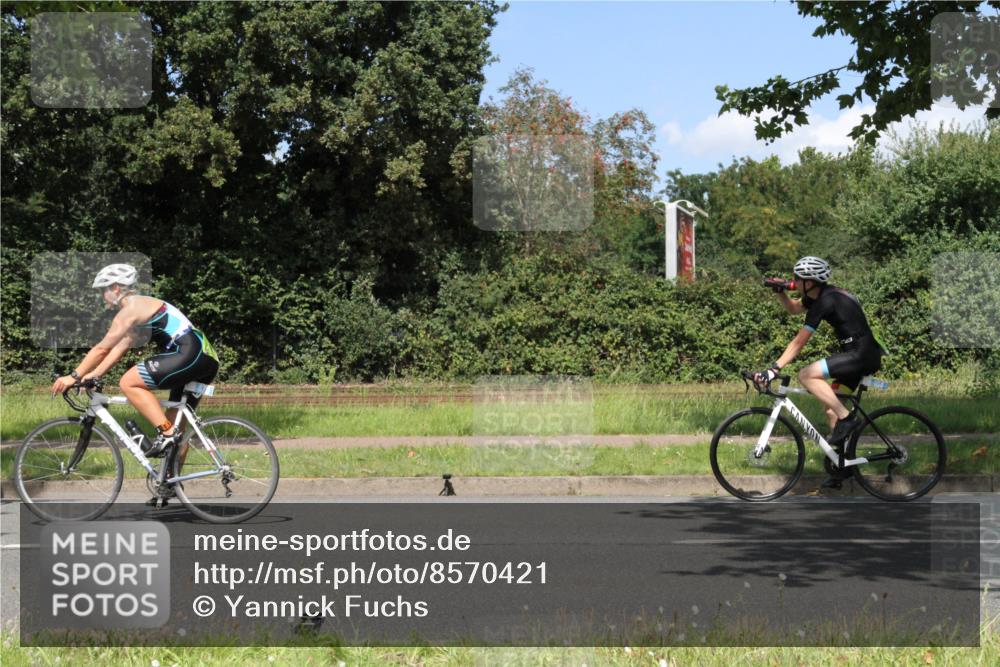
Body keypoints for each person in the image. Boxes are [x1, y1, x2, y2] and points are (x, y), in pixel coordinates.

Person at [51, 263, 219, 498]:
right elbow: (119, 347)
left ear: (117, 288)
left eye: (104, 290)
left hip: (188, 352)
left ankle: (167, 436)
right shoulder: (142, 307)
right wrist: (94, 375)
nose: (102, 297)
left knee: (129, 382)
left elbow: (101, 348)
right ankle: (170, 483)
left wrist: (74, 376)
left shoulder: (130, 309)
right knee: (176, 424)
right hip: (204, 357)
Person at [753, 256, 885, 487]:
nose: (793, 281)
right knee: (831, 409)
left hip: (860, 356)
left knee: (806, 375)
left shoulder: (827, 301)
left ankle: (848, 419)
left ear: (810, 282)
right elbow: (794, 309)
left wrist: (774, 369)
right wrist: (780, 291)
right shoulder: (818, 297)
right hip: (861, 355)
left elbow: (799, 342)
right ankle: (842, 467)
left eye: (797, 278)